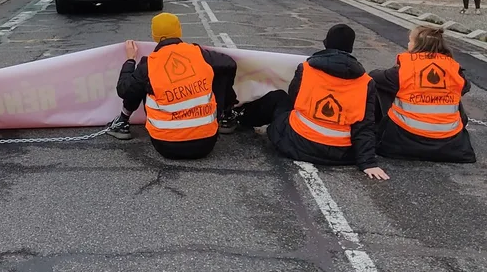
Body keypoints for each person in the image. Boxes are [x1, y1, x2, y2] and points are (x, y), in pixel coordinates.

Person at [237, 24, 390, 180]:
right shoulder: (365, 82)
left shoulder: (306, 68)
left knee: (278, 98)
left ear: (326, 43)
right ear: (350, 48)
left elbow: (294, 98)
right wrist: (368, 163)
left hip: (298, 143)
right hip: (340, 153)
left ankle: (237, 118)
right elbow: (364, 125)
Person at [107, 13, 238, 160]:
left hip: (166, 145)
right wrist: (226, 101)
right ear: (179, 31)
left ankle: (122, 122)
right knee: (219, 70)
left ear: (154, 36)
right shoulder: (199, 54)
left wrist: (130, 60)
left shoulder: (149, 64)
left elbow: (124, 89)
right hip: (206, 144)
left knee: (141, 83)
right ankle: (227, 116)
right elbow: (230, 64)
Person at [371, 27, 475, 163]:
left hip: (405, 137)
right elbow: (465, 86)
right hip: (449, 141)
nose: (408, 44)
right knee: (454, 90)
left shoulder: (405, 69)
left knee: (384, 86)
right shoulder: (453, 68)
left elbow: (374, 76)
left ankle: (377, 127)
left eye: (410, 41)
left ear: (417, 45)